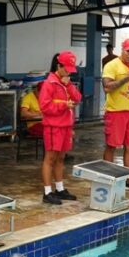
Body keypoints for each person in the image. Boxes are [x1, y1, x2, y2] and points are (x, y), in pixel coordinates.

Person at [102, 37, 129, 192]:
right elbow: (106, 88)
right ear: (122, 49)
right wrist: (125, 79)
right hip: (115, 112)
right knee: (112, 145)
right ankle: (107, 176)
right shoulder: (112, 65)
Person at [39, 51, 82, 205]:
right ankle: (47, 192)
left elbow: (78, 98)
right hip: (53, 126)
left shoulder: (65, 83)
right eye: (67, 68)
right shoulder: (49, 83)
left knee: (61, 158)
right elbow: (44, 106)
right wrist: (64, 105)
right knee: (50, 158)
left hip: (65, 126)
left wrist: (68, 84)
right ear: (59, 66)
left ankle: (60, 188)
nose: (69, 71)